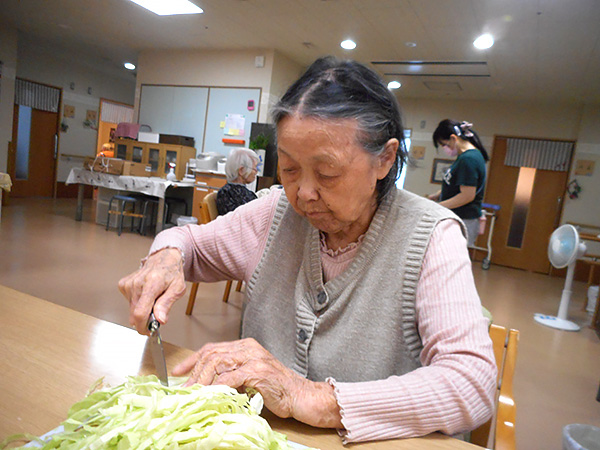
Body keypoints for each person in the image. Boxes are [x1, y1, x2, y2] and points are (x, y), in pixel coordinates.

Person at [119, 56, 496, 443]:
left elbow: (472, 382)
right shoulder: (276, 211)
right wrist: (166, 257)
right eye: (289, 168)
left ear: (384, 159)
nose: (303, 193)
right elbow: (191, 243)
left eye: (327, 172)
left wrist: (310, 396)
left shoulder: (431, 236)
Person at [428, 119, 489, 247]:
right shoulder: (465, 157)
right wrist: (438, 194)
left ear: (453, 138)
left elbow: (467, 195)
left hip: (464, 219)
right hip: (460, 217)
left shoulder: (469, 159)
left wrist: (437, 207)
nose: (445, 148)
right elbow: (458, 184)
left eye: (444, 144)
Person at [215, 148, 259, 216]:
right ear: (241, 170)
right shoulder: (226, 194)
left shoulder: (245, 192)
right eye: (254, 168)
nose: (256, 171)